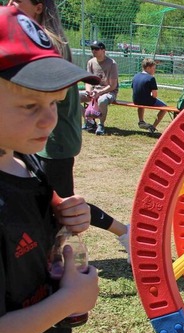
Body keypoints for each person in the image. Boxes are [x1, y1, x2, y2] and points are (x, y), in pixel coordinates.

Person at [0, 6, 101, 333]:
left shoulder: (24, 160)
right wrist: (67, 303)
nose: (49, 119)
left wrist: (60, 216)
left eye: (57, 102)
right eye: (29, 105)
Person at [9, 0, 131, 264]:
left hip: (55, 142)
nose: (10, 4)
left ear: (38, 7)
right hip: (49, 140)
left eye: (18, 0)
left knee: (63, 205)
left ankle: (122, 233)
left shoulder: (48, 43)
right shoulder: (44, 40)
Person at [80, 40, 118, 136]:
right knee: (73, 97)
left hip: (109, 91)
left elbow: (113, 85)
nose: (94, 51)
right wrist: (89, 91)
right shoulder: (90, 62)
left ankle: (101, 125)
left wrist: (99, 92)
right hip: (94, 91)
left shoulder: (112, 64)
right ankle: (89, 121)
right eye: (92, 49)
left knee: (102, 100)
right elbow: (88, 81)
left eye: (96, 49)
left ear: (103, 50)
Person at [132, 57, 167, 135]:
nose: (155, 70)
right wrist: (151, 94)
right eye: (153, 68)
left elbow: (135, 89)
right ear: (148, 68)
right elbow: (154, 95)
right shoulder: (151, 78)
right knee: (164, 107)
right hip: (146, 101)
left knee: (141, 103)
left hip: (136, 100)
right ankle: (153, 127)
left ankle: (141, 121)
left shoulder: (136, 76)